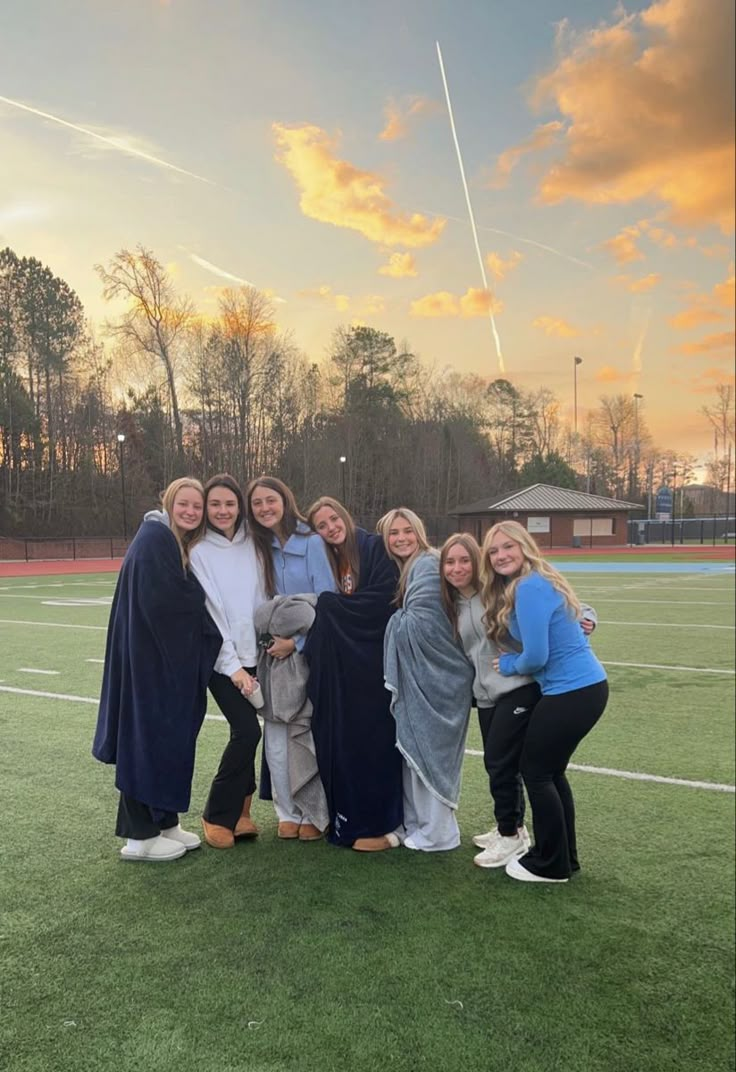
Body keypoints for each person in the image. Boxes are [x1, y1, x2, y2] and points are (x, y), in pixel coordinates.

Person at [440, 533, 598, 871]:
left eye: (464, 560)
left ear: (476, 562)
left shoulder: (499, 591)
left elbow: (563, 605)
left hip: (519, 686)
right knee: (502, 764)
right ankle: (512, 828)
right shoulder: (452, 601)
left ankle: (513, 836)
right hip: (485, 694)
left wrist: (589, 615)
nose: (457, 568)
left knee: (510, 764)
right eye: (449, 562)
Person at [92, 478, 221, 862]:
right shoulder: (154, 539)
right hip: (148, 665)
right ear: (169, 502)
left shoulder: (170, 541)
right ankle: (139, 835)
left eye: (197, 507)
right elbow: (167, 600)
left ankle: (165, 822)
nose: (190, 512)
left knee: (169, 738)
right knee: (145, 740)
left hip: (160, 661)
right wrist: (205, 600)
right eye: (184, 504)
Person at [485, 520, 608, 884]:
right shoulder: (534, 582)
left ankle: (549, 863)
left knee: (536, 772)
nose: (500, 555)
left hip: (572, 691)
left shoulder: (530, 586)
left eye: (508, 547)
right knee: (551, 773)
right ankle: (564, 858)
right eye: (493, 551)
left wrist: (509, 664)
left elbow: (536, 656)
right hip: (582, 689)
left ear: (525, 547)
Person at [305, 497, 403, 852]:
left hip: (372, 669)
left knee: (376, 745)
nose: (331, 527)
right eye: (322, 525)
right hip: (343, 675)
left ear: (345, 514)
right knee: (343, 745)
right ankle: (347, 818)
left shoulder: (372, 547)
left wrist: (333, 606)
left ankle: (387, 825)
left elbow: (383, 599)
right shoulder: (328, 560)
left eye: (334, 519)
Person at [246, 476, 337, 841]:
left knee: (306, 732)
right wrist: (272, 641)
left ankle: (312, 810)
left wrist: (296, 643)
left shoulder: (312, 542)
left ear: (285, 500)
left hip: (306, 652)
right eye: (257, 504)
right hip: (269, 653)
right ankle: (286, 810)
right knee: (276, 733)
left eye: (271, 500)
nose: (265, 508)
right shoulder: (256, 546)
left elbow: (325, 601)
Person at [380, 508, 474, 852]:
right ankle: (420, 824)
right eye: (393, 533)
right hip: (420, 676)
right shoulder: (410, 568)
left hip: (440, 677)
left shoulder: (428, 562)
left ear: (419, 531)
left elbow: (426, 624)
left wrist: (394, 621)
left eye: (407, 530)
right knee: (414, 749)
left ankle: (438, 833)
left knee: (431, 753)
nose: (401, 538)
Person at [189, 474, 266, 850]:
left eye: (230, 504)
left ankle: (242, 812)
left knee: (249, 732)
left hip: (258, 655)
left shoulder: (254, 542)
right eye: (215, 504)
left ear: (240, 507)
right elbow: (213, 612)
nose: (223, 511)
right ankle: (216, 812)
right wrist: (232, 665)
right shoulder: (200, 549)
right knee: (248, 730)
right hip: (222, 661)